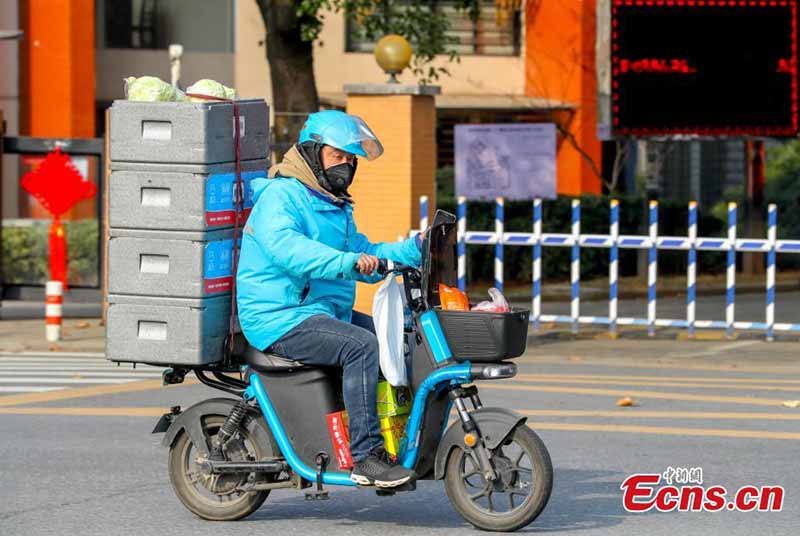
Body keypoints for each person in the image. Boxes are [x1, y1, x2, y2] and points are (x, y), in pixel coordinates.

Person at [237, 110, 423, 488]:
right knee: (362, 346)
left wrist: (415, 250)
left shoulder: (332, 204)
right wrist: (349, 261)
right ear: (312, 152)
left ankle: (394, 438)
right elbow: (290, 250)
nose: (346, 166)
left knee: (399, 342)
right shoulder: (281, 196)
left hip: (321, 310)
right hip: (280, 316)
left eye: (351, 160)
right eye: (338, 156)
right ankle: (366, 457)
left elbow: (363, 251)